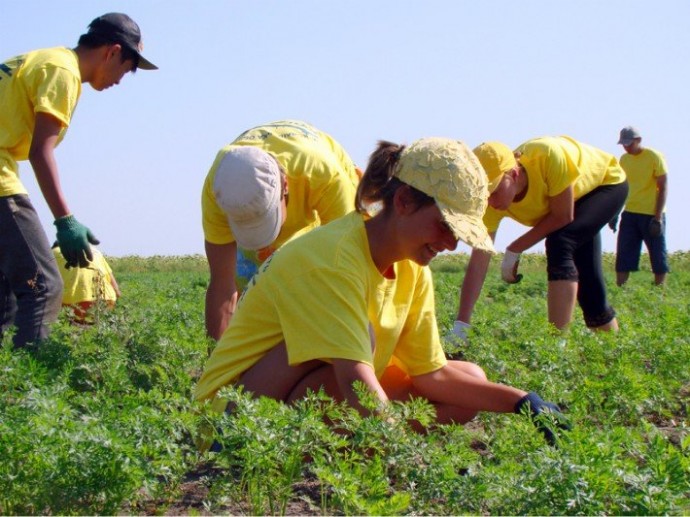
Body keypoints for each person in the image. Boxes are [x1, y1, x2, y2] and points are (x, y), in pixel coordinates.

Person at [195, 137, 569, 446]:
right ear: (404, 202)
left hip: (304, 389)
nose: (451, 244)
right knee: (361, 352)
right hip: (234, 414)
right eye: (444, 226)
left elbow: (432, 375)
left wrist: (521, 401)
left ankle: (359, 446)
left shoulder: (412, 268)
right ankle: (310, 448)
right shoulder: (334, 258)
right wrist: (411, 459)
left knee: (470, 377)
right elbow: (356, 382)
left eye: (458, 233)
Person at [0, 13, 156, 348]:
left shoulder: (43, 59)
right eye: (126, 68)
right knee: (42, 286)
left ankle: (5, 385)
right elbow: (43, 152)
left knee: (8, 292)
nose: (121, 80)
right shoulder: (63, 71)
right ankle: (27, 391)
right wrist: (65, 221)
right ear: (112, 52)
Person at [453, 136, 628, 338]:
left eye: (494, 190)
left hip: (606, 184)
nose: (490, 201)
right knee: (590, 291)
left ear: (514, 173)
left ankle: (556, 346)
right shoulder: (490, 204)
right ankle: (616, 350)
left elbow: (563, 216)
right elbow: (478, 261)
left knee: (560, 242)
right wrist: (461, 325)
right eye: (484, 194)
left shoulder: (547, 156)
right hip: (573, 199)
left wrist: (514, 249)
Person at [202, 120, 361, 340]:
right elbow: (222, 286)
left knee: (315, 286)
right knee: (247, 279)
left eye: (264, 221)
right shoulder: (219, 186)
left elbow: (350, 270)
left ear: (285, 187)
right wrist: (217, 367)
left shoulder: (324, 175)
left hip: (322, 189)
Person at [614, 126, 669, 286]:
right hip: (630, 212)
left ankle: (660, 290)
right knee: (624, 255)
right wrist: (615, 213)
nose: (626, 147)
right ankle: (621, 290)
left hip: (651, 214)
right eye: (623, 144)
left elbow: (663, 186)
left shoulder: (654, 156)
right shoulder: (624, 159)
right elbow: (620, 187)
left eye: (629, 143)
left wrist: (658, 217)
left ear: (638, 140)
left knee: (658, 255)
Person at [52, 243, 120, 324]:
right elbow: (117, 291)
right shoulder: (96, 251)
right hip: (105, 302)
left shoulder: (53, 253)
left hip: (72, 303)